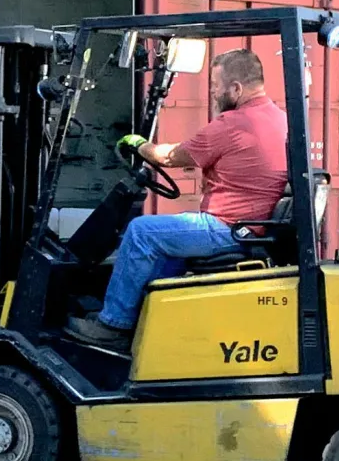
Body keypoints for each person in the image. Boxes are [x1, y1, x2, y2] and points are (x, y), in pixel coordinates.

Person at [64, 47, 289, 350]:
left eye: (216, 87)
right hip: (251, 228)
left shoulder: (234, 124)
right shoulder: (279, 118)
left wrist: (139, 144)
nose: (213, 94)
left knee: (141, 233)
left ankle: (113, 323)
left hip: (228, 230)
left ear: (236, 88)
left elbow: (168, 156)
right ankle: (143, 319)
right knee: (165, 247)